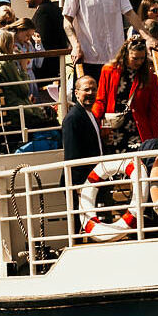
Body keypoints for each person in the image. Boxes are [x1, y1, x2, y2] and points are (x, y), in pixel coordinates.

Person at [62, 0, 153, 81]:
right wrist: (76, 46)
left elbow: (130, 13)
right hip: (89, 58)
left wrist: (147, 37)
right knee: (90, 99)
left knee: (118, 99)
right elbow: (67, 21)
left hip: (116, 59)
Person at [92, 37, 158, 146]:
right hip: (112, 129)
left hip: (138, 131)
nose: (139, 62)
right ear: (126, 54)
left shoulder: (151, 78)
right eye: (135, 58)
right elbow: (101, 100)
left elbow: (153, 111)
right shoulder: (108, 71)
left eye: (142, 58)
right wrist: (95, 123)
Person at [0, 28, 54, 127]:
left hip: (1, 108)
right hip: (16, 108)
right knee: (49, 118)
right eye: (11, 43)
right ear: (5, 44)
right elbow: (24, 91)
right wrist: (23, 68)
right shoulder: (5, 62)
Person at [61, 76, 104, 221]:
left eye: (94, 89)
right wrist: (78, 186)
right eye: (86, 89)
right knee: (78, 223)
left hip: (94, 179)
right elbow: (72, 154)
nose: (91, 93)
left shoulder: (90, 114)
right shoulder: (73, 118)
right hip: (80, 183)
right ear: (76, 93)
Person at [24, 0, 68, 78]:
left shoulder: (43, 12)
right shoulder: (54, 8)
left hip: (45, 68)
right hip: (55, 65)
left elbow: (41, 40)